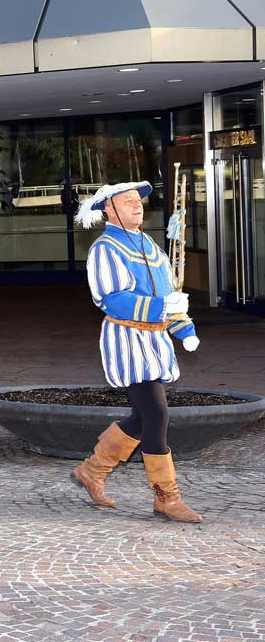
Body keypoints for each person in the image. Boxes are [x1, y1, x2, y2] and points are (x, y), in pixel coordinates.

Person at [72, 181, 202, 523]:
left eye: (138, 201)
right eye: (127, 201)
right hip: (127, 341)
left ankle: (93, 470)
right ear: (108, 210)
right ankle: (166, 497)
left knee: (144, 416)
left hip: (156, 342)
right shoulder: (105, 249)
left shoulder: (150, 246)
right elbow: (111, 299)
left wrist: (184, 328)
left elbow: (169, 294)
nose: (137, 205)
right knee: (157, 414)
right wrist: (163, 304)